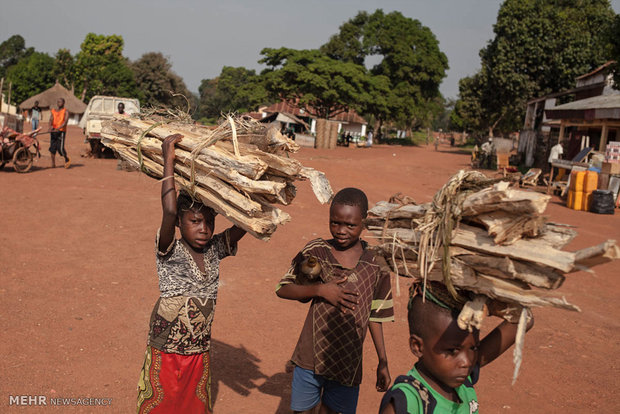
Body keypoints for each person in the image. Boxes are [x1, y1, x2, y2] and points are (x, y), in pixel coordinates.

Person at [137, 134, 247, 414]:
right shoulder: (168, 248)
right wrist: (168, 159)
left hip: (198, 347)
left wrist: (248, 185)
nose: (204, 229)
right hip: (168, 347)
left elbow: (246, 222)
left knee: (192, 406)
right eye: (195, 221)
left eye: (209, 222)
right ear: (179, 224)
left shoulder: (214, 249)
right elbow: (170, 209)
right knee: (162, 403)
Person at [276, 188, 394, 414]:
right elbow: (283, 289)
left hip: (347, 362)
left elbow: (375, 316)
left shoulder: (376, 262)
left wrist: (383, 360)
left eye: (350, 225)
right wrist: (320, 289)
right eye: (335, 223)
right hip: (310, 358)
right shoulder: (316, 251)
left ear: (364, 222)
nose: (341, 231)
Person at [379, 282, 534, 414]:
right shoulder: (408, 402)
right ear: (417, 346)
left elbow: (524, 318)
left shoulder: (461, 380)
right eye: (452, 351)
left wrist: (488, 304)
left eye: (473, 348)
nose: (466, 362)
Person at [48, 98, 70, 168]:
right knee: (52, 148)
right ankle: (53, 164)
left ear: (63, 103)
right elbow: (50, 120)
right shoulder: (54, 111)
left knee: (60, 148)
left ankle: (66, 158)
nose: (58, 103)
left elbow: (65, 122)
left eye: (60, 102)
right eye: (58, 102)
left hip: (61, 131)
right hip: (53, 131)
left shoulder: (66, 111)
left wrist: (58, 128)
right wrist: (50, 127)